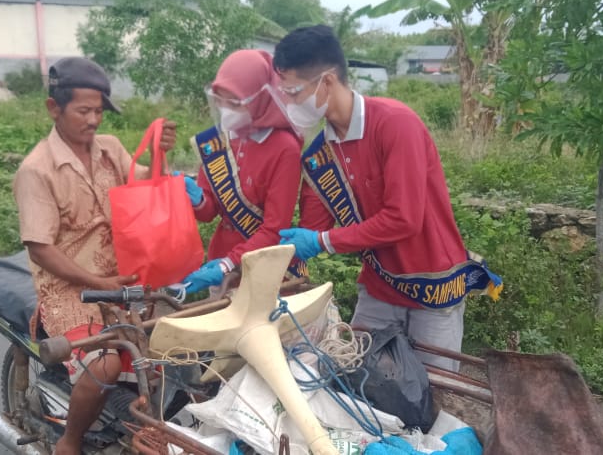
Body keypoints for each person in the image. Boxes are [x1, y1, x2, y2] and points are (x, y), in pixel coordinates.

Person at [273, 26, 501, 371]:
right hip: (380, 286)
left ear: (328, 81)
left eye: (293, 91)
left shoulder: (395, 124)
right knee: (363, 383)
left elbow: (403, 218)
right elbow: (311, 230)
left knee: (435, 391)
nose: (289, 102)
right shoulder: (319, 156)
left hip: (432, 288)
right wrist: (270, 268)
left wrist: (322, 241)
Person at [11, 57, 176, 455]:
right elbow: (40, 248)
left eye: (99, 111)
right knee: (104, 362)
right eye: (84, 111)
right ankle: (69, 441)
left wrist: (158, 152)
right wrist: (97, 283)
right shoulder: (37, 170)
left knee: (177, 343)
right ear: (55, 109)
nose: (94, 120)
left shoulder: (112, 150)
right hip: (69, 290)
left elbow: (147, 190)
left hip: (123, 279)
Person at [179, 49, 306, 293]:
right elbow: (209, 211)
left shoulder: (284, 148)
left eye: (234, 102)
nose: (225, 110)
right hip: (218, 265)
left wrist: (230, 263)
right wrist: (197, 200)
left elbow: (274, 229)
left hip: (261, 270)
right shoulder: (218, 141)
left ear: (258, 98)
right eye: (220, 100)